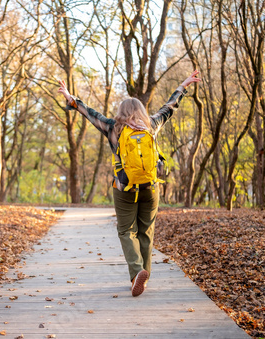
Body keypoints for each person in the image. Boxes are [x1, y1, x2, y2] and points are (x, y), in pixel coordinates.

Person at [58, 70, 201, 297]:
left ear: (121, 112)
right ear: (141, 111)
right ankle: (144, 275)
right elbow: (169, 107)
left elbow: (89, 113)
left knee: (126, 230)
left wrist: (70, 97)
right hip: (150, 187)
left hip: (124, 188)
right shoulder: (151, 125)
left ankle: (136, 273)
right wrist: (183, 85)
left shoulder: (113, 127)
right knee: (146, 231)